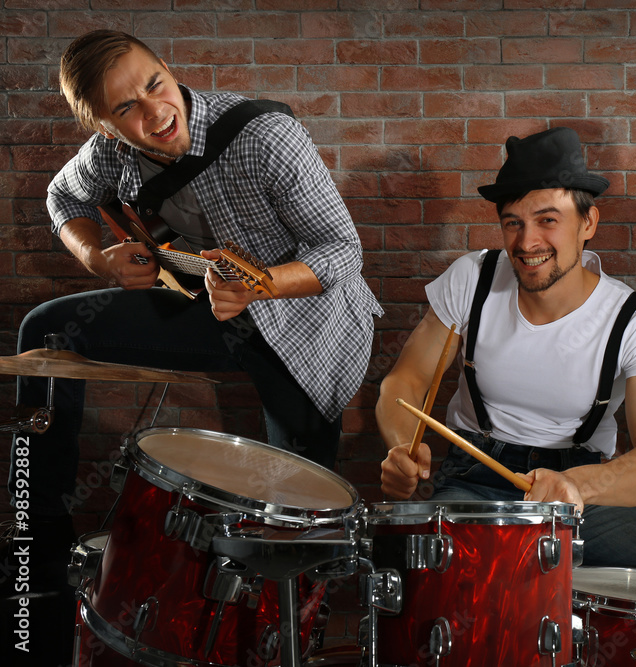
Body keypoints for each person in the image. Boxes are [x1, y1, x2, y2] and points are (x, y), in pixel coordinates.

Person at [2, 29, 381, 653]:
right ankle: (35, 556)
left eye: (154, 85)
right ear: (102, 125)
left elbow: (342, 249)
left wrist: (258, 287)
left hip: (308, 320)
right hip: (208, 306)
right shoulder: (110, 156)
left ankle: (291, 638)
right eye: (125, 108)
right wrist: (98, 259)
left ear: (168, 70)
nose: (154, 113)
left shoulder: (264, 135)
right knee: (43, 334)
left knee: (299, 506)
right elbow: (62, 195)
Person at [377, 126, 636, 589]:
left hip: (584, 497)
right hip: (473, 486)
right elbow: (404, 383)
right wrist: (402, 446)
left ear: (588, 224)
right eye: (513, 222)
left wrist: (578, 486)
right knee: (434, 583)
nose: (526, 242)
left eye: (547, 220)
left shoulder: (635, 323)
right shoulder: (472, 279)